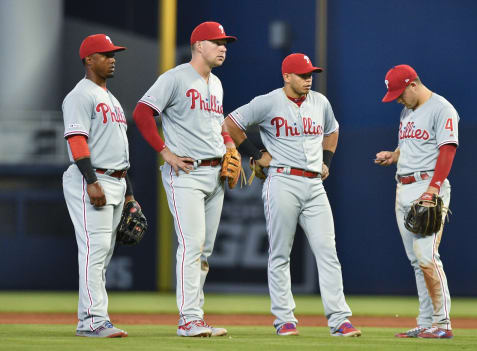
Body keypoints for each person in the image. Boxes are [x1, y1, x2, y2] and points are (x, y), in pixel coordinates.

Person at [224, 53, 361, 337]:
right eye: (302, 74)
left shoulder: (320, 102)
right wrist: (256, 154)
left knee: (328, 252)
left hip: (314, 184)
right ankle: (284, 319)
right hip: (282, 181)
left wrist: (327, 161)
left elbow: (333, 131)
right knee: (280, 253)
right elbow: (231, 123)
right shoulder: (269, 101)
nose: (309, 78)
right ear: (287, 76)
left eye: (311, 73)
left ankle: (339, 319)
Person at [133, 21, 237, 337]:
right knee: (192, 245)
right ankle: (188, 320)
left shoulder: (216, 84)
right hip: (186, 173)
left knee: (204, 251)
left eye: (225, 43)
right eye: (217, 42)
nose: (223, 47)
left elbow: (217, 122)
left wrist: (229, 144)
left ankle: (196, 316)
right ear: (198, 45)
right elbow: (141, 113)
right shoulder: (176, 78)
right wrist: (165, 152)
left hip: (215, 174)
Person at [62, 34, 138, 337]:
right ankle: (94, 320)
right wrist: (92, 181)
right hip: (92, 178)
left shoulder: (112, 99)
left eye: (113, 54)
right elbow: (77, 140)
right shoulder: (80, 95)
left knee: (103, 253)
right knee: (96, 249)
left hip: (116, 180)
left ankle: (88, 319)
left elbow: (119, 150)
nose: (112, 58)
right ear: (88, 60)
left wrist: (130, 194)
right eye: (105, 54)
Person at [375, 64, 458, 339]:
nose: (398, 98)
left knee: (427, 257)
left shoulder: (441, 108)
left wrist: (433, 188)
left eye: (400, 92)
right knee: (416, 260)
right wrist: (393, 155)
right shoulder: (406, 111)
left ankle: (442, 323)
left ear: (413, 84)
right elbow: (408, 147)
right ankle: (425, 322)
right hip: (403, 186)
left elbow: (447, 149)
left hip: (427, 187)